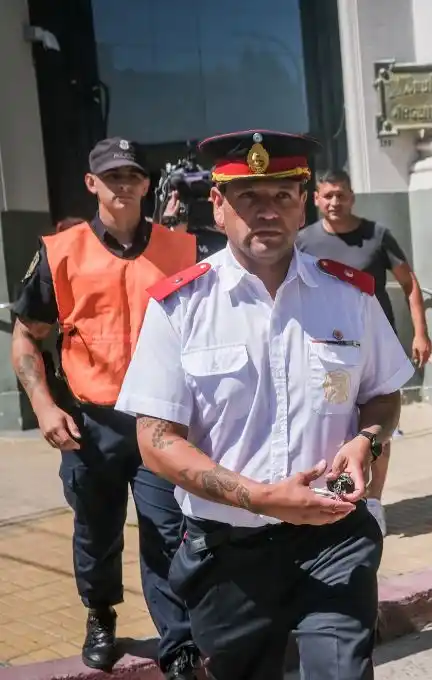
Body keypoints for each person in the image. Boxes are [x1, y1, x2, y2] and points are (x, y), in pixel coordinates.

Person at [115, 129, 414, 680]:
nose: (267, 212)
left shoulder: (351, 296)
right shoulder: (180, 308)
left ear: (303, 204)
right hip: (229, 555)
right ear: (219, 206)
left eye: (281, 196)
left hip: (334, 539)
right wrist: (258, 497)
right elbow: (155, 441)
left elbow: (383, 395)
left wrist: (365, 440)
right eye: (248, 197)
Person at [9, 138, 200, 678]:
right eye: (111, 176)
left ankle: (178, 640)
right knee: (96, 530)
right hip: (91, 423)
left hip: (159, 419)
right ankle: (100, 614)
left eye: (132, 176)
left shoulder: (180, 250)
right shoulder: (60, 251)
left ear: (146, 184)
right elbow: (26, 337)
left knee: (168, 530)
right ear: (91, 183)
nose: (123, 185)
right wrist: (44, 407)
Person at [296, 168, 432, 534]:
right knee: (339, 425)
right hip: (331, 357)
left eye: (341, 195)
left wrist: (420, 332)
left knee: (377, 429)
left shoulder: (377, 237)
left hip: (375, 352)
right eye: (327, 196)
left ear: (352, 196)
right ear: (316, 199)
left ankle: (373, 501)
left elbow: (410, 284)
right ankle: (337, 496)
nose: (334, 202)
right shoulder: (303, 241)